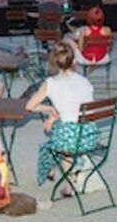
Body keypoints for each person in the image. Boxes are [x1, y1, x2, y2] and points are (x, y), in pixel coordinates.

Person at [26, 43, 97, 193]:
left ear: (53, 63)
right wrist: (54, 113)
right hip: (90, 135)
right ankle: (61, 169)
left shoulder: (50, 83)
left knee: (56, 140)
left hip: (70, 139)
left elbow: (30, 106)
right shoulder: (85, 82)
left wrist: (50, 110)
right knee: (60, 129)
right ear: (74, 61)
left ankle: (67, 180)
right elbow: (74, 107)